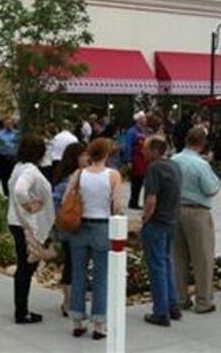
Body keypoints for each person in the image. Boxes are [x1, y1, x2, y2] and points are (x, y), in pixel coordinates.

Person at [65, 138, 124, 339]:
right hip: (101, 226)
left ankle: (77, 321)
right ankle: (99, 324)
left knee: (78, 274)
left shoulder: (79, 174)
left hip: (79, 226)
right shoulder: (113, 175)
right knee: (101, 277)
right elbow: (117, 205)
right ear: (107, 154)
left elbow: (67, 199)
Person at [171, 126, 220, 314]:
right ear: (202, 144)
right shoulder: (201, 164)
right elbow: (211, 189)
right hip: (197, 211)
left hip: (176, 210)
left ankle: (180, 298)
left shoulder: (174, 160)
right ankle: (204, 300)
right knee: (202, 258)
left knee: (178, 257)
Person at [7, 134, 54, 324]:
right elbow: (20, 190)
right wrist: (28, 205)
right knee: (26, 267)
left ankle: (22, 309)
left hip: (16, 221)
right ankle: (22, 311)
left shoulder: (18, 167)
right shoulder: (30, 171)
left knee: (24, 266)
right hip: (27, 225)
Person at [140, 136, 183, 327]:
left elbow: (151, 199)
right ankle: (173, 305)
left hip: (156, 222)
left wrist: (144, 219)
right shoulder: (175, 166)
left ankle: (160, 311)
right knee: (166, 263)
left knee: (156, 266)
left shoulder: (154, 168)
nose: (142, 152)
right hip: (171, 220)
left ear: (155, 151)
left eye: (145, 149)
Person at [51, 142, 88, 318]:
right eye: (84, 155)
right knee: (72, 265)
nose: (88, 158)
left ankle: (70, 301)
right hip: (72, 228)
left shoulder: (77, 177)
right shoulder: (68, 180)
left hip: (73, 227)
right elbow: (57, 204)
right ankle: (69, 302)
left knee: (73, 264)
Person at [124, 111, 149, 210]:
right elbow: (128, 146)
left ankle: (135, 200)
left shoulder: (143, 131)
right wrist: (128, 160)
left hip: (143, 160)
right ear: (139, 120)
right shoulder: (132, 132)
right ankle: (133, 201)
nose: (145, 120)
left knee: (140, 180)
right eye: (144, 118)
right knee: (136, 181)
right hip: (136, 159)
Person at [0, 117, 19, 196]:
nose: (8, 125)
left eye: (10, 123)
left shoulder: (16, 133)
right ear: (4, 125)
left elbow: (18, 144)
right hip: (3, 157)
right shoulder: (0, 134)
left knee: (14, 176)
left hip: (13, 157)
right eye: (6, 124)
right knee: (4, 177)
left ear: (13, 124)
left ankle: (14, 192)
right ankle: (6, 193)